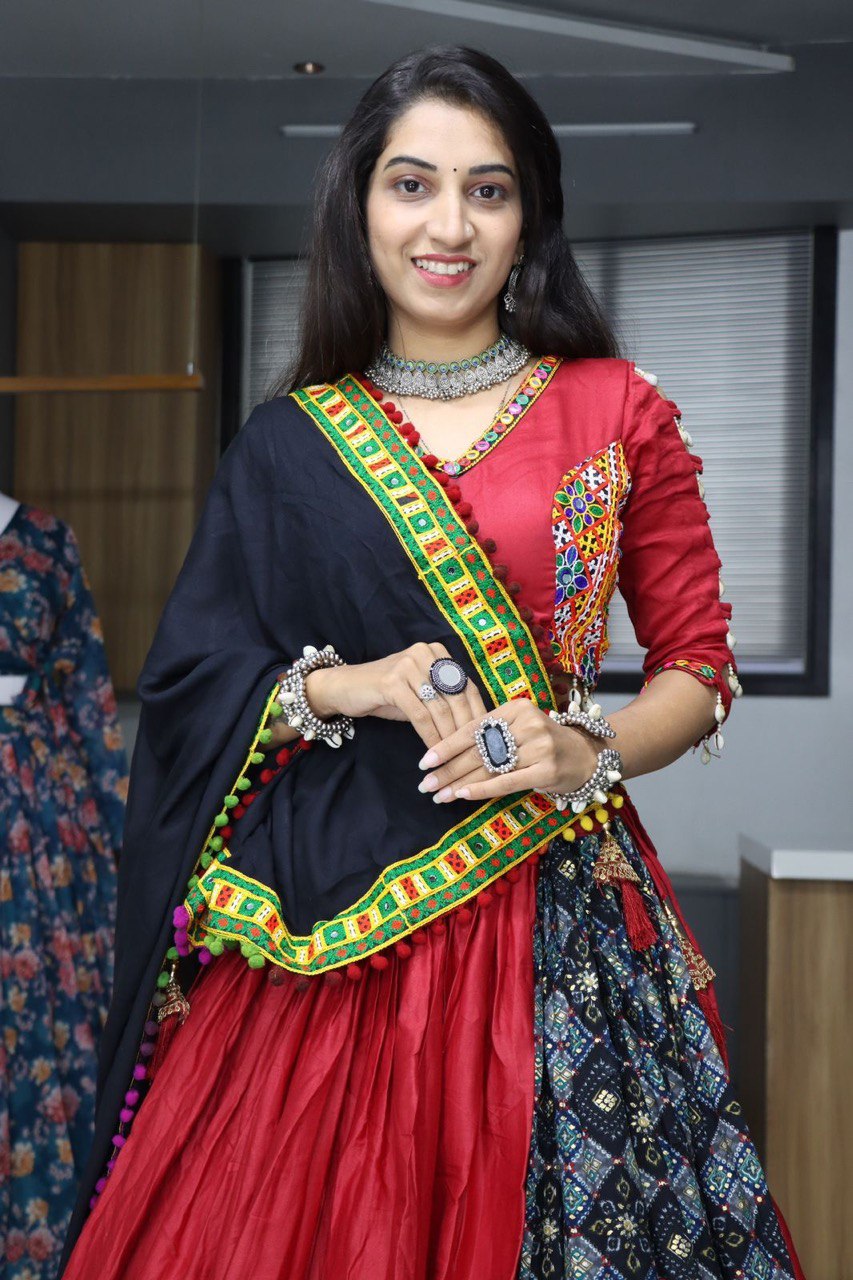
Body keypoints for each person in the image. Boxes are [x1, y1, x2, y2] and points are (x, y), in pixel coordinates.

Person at [58, 44, 806, 1280]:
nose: (447, 224)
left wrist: (586, 746)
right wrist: (345, 684)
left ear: (529, 221)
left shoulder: (616, 409)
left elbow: (697, 664)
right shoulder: (288, 442)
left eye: (488, 190)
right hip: (318, 940)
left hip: (551, 911)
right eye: (412, 184)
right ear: (360, 207)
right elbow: (195, 679)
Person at [0, 495, 127, 1279]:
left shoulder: (42, 539)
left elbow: (87, 691)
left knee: (46, 1019)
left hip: (41, 822)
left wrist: (120, 840)